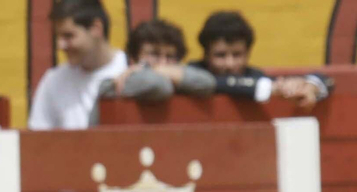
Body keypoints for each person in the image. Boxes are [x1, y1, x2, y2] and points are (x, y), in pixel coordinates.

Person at [189, 10, 332, 110]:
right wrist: (272, 88)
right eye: (220, 55)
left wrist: (309, 86)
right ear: (206, 54)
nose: (229, 64)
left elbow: (327, 80)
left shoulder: (253, 75)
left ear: (248, 54)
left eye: (237, 55)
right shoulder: (190, 73)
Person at [27, 0, 128, 130]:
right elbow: (37, 142)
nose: (60, 46)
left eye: (68, 36)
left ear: (96, 28)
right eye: (58, 37)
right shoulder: (53, 81)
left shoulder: (130, 70)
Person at [94, 17, 215, 116]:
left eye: (170, 56)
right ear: (133, 58)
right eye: (154, 54)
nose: (163, 63)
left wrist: (159, 70)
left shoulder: (176, 77)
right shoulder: (120, 82)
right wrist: (161, 72)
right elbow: (159, 85)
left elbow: (208, 82)